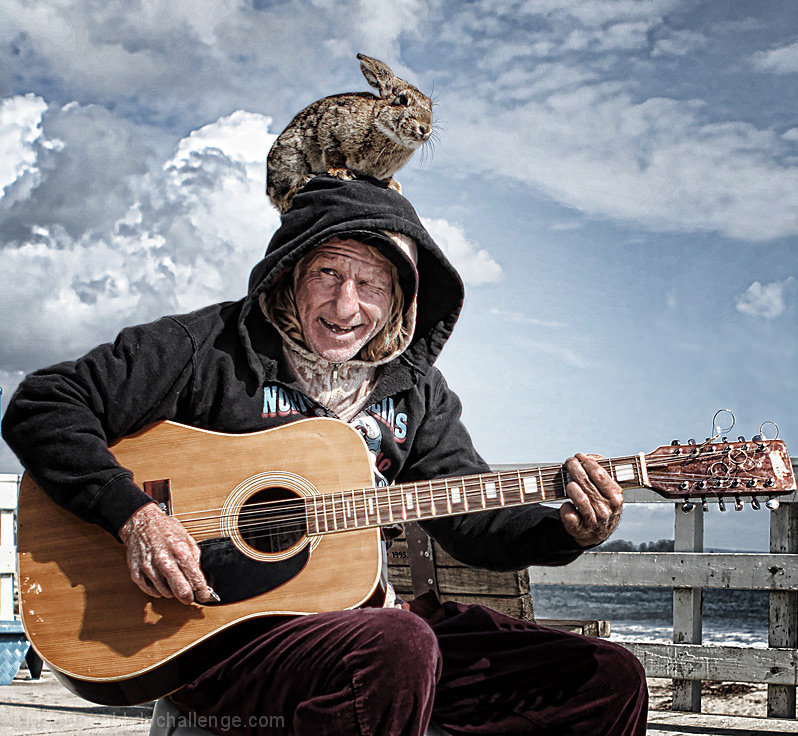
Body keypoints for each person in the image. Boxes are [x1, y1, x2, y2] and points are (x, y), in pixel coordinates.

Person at [2, 175, 647, 735]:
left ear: (402, 300)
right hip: (223, 640)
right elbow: (42, 405)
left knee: (605, 677)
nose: (346, 305)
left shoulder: (416, 391)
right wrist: (134, 515)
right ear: (291, 273)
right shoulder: (208, 346)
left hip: (372, 631)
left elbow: (470, 518)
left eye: (370, 283)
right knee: (397, 646)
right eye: (328, 274)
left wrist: (565, 528)